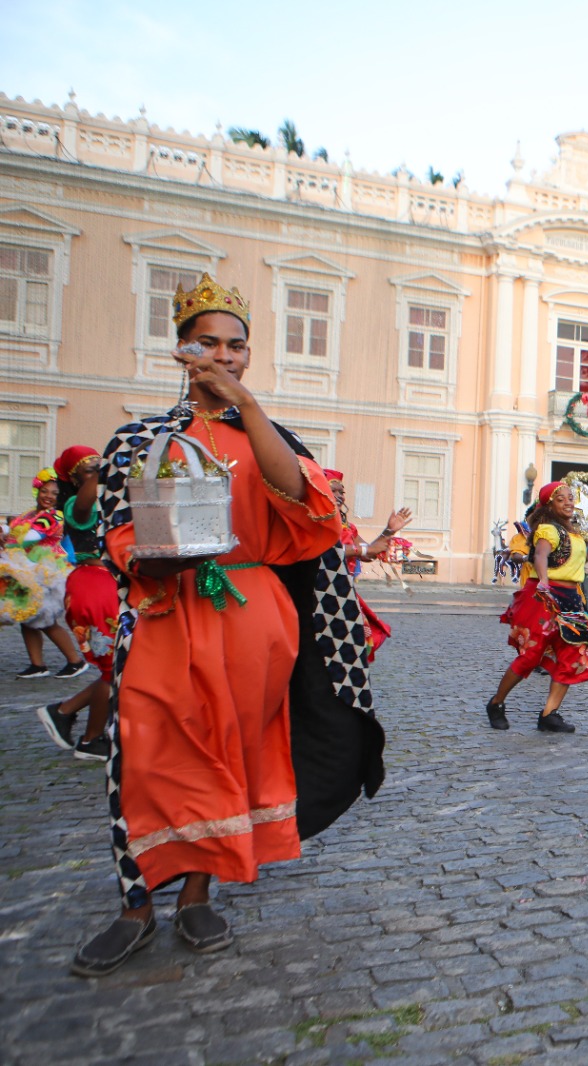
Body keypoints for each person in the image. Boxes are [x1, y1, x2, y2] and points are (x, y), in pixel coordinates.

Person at [74, 274, 383, 977]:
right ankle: (134, 906)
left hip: (252, 620)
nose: (223, 355)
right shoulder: (141, 440)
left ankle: (197, 893)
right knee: (145, 758)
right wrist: (155, 557)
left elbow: (310, 509)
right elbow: (117, 536)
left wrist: (245, 405)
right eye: (207, 343)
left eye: (236, 346)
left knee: (234, 756)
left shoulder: (266, 434)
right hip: (166, 614)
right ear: (180, 350)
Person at [485, 482, 588, 733]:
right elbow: (540, 555)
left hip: (571, 597)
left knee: (573, 656)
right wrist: (545, 581)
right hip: (545, 596)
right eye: (562, 500)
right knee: (531, 656)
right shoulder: (547, 529)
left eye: (571, 498)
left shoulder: (576, 533)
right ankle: (496, 703)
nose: (569, 502)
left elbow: (581, 559)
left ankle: (549, 713)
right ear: (550, 505)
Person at [35, 446, 118, 761]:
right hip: (91, 586)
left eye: (98, 464)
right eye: (88, 467)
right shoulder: (75, 504)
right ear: (73, 477)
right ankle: (91, 739)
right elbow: (83, 508)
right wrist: (99, 473)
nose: (97, 469)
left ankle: (63, 711)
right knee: (114, 668)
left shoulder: (105, 501)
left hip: (105, 584)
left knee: (123, 664)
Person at [6, 471, 89, 680]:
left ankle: (75, 661)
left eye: (53, 493)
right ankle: (37, 665)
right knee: (26, 617)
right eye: (45, 491)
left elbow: (29, 538)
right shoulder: (28, 515)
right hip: (29, 572)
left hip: (49, 573)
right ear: (37, 491)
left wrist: (7, 539)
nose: (48, 496)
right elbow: (13, 533)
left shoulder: (54, 516)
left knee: (45, 619)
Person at [325, 469, 412, 658]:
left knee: (355, 643)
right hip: (323, 591)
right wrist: (364, 550)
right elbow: (326, 552)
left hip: (344, 591)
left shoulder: (348, 526)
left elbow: (369, 552)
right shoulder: (317, 521)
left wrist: (389, 531)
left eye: (342, 492)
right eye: (334, 491)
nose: (340, 496)